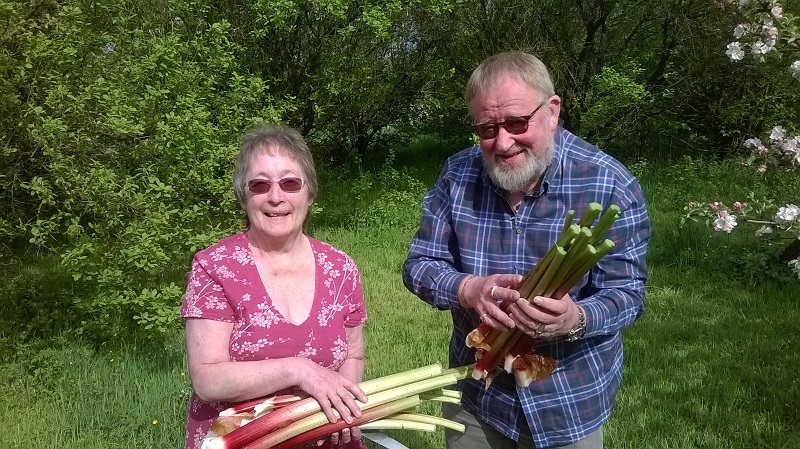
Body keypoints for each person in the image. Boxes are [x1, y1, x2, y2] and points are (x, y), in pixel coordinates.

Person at [402, 51, 651, 448]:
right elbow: (419, 265)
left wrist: (576, 318)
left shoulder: (609, 185)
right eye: (487, 128)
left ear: (552, 112)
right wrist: (468, 289)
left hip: (567, 403)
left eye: (517, 123)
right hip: (479, 394)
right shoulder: (457, 175)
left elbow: (628, 294)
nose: (503, 143)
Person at [181, 124, 368, 449]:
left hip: (326, 437)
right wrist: (299, 370)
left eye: (290, 183)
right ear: (243, 195)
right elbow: (207, 380)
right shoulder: (215, 267)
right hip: (239, 440)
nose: (276, 196)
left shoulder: (341, 268)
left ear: (310, 193)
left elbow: (353, 354)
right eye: (260, 185)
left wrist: (339, 403)